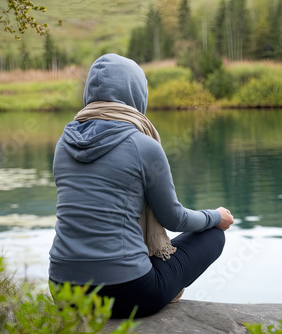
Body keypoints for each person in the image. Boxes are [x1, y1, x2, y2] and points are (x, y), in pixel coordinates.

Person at [48, 53, 234, 319]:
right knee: (213, 235)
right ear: (136, 93)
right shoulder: (143, 145)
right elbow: (174, 218)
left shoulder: (63, 143)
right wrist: (216, 216)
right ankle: (165, 289)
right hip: (127, 292)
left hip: (63, 290)